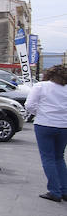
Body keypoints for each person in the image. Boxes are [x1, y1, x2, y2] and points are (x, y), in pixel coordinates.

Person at [25, 65, 67, 202]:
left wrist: (41, 113)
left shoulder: (41, 86)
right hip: (63, 126)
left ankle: (54, 191)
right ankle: (65, 190)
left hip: (44, 125)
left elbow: (29, 105)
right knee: (59, 158)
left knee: (48, 158)